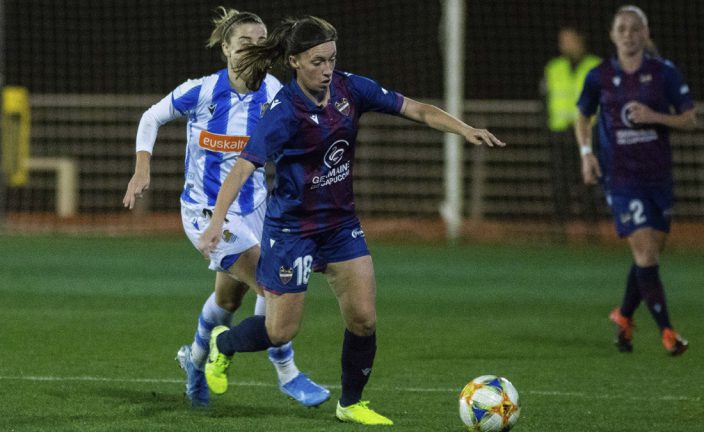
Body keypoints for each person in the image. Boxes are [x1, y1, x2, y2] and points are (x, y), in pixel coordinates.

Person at [196, 15, 505, 426]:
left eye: (332, 59)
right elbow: (242, 168)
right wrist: (217, 221)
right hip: (292, 232)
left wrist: (463, 128)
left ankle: (351, 402)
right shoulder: (282, 113)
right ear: (294, 62)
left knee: (363, 318)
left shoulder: (349, 88)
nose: (327, 70)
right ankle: (225, 342)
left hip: (341, 226)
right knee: (279, 332)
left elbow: (415, 108)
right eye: (318, 62)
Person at [122, 7, 329, 407]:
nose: (254, 47)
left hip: (256, 209)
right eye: (244, 42)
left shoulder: (275, 95)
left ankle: (196, 361)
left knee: (228, 302)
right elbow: (151, 117)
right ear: (225, 50)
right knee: (271, 283)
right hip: (204, 211)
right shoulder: (201, 91)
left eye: (260, 39)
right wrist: (141, 167)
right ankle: (287, 372)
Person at [575, 5, 695, 356]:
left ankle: (624, 315)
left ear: (645, 34)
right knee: (644, 251)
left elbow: (690, 119)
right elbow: (581, 114)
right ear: (613, 35)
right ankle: (668, 333)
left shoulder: (664, 73)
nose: (628, 34)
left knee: (650, 254)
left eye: (634, 28)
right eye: (621, 29)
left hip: (658, 177)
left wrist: (655, 116)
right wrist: (586, 153)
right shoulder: (599, 76)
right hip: (620, 178)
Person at [541, 27, 602, 242]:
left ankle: (591, 232)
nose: (564, 44)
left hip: (588, 133)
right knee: (560, 183)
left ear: (580, 40)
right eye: (561, 40)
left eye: (568, 40)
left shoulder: (596, 66)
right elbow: (545, 99)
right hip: (560, 133)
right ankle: (560, 231)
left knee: (590, 182)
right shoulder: (554, 67)